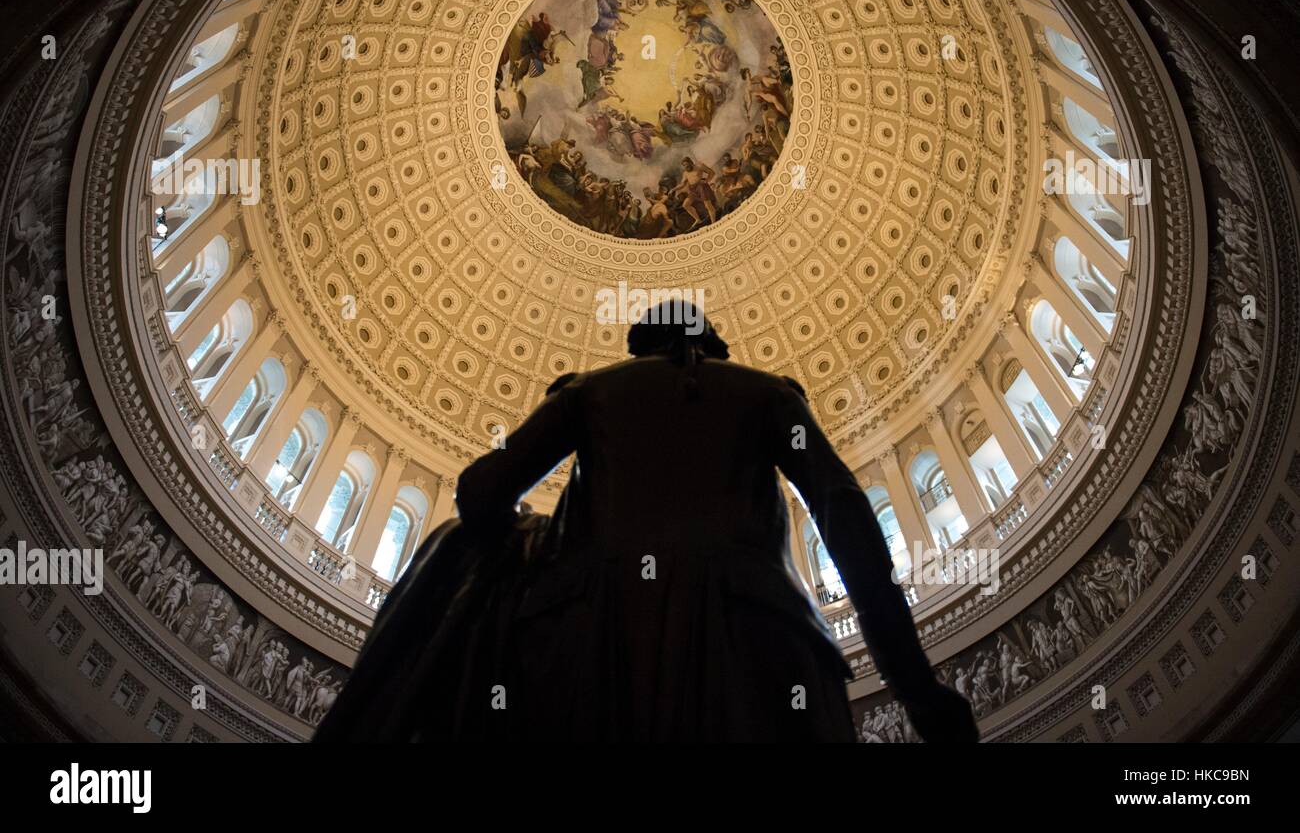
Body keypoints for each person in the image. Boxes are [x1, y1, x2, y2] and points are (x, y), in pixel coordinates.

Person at [316, 302, 976, 742]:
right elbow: (849, 521)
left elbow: (480, 492)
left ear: (638, 344)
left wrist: (527, 530)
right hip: (766, 646)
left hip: (596, 648)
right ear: (712, 343)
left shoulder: (590, 391)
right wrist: (916, 686)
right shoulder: (769, 394)